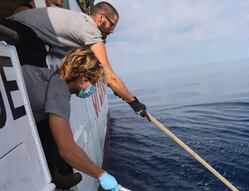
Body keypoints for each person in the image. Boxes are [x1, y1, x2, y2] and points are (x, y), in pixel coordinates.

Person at [6, 1, 149, 119]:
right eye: (111, 25)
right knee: (49, 105)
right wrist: (134, 103)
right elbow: (110, 76)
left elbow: (20, 10)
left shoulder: (78, 20)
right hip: (23, 36)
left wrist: (118, 90)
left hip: (11, 27)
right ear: (100, 17)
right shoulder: (90, 29)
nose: (112, 31)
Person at [22, 47, 120, 191]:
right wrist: (101, 175)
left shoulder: (52, 76)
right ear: (82, 78)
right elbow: (68, 150)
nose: (92, 88)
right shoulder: (59, 93)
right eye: (92, 82)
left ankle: (54, 174)